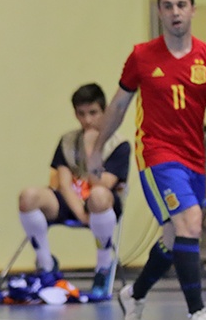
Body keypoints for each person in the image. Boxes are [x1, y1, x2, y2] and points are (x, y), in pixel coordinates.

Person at [87, 0, 206, 320]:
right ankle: (198, 312)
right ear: (159, 12)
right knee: (189, 221)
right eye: (168, 6)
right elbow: (118, 105)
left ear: (192, 10)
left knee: (176, 237)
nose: (175, 12)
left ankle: (135, 294)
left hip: (193, 159)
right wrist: (97, 149)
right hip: (156, 154)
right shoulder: (142, 56)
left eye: (181, 5)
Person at [17, 83, 130, 299]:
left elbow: (102, 184)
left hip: (102, 206)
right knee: (28, 196)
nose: (87, 120)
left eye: (93, 113)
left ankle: (102, 268)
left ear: (104, 112)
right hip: (72, 204)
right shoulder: (67, 141)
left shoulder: (119, 144)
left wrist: (92, 150)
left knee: (97, 197)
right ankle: (47, 264)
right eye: (81, 114)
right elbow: (64, 183)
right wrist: (80, 214)